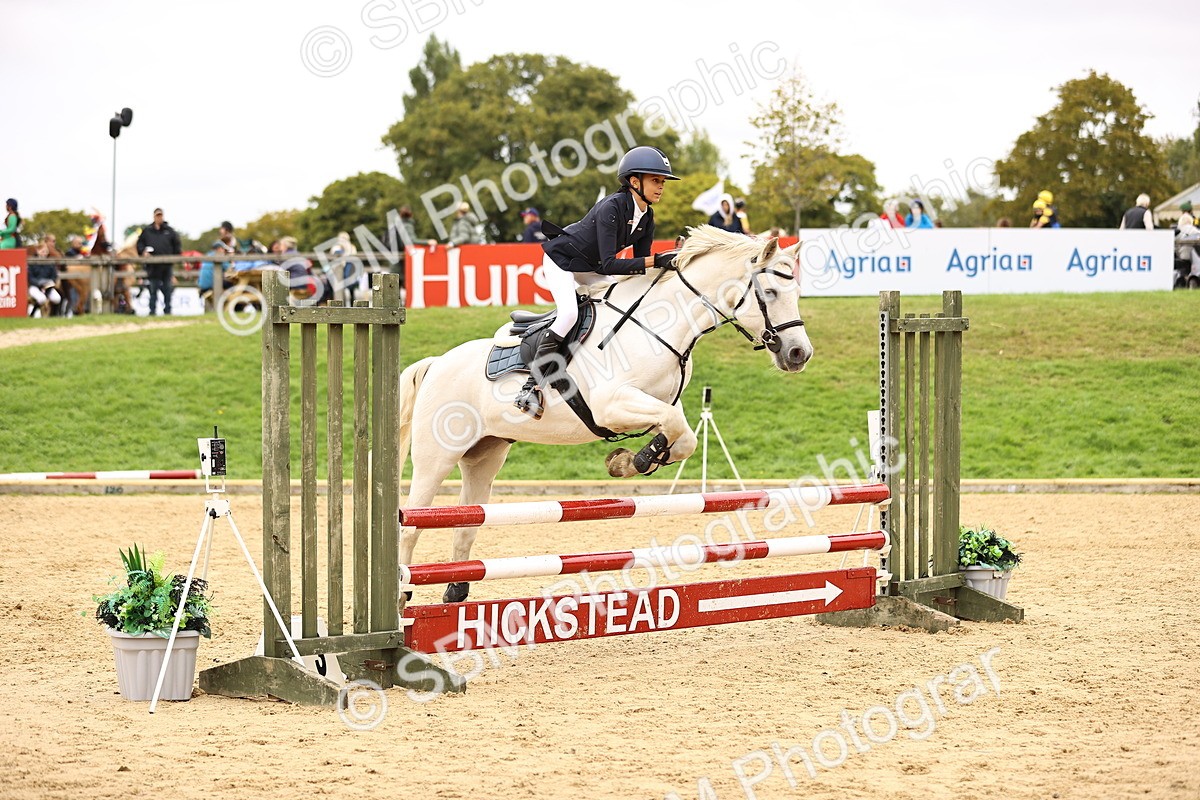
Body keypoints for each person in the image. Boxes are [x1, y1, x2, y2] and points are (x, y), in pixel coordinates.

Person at [514, 145, 678, 419]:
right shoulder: (611, 207)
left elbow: (641, 265)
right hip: (562, 261)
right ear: (634, 182)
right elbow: (612, 263)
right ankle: (530, 387)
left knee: (619, 299)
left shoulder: (647, 216)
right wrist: (656, 260)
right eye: (655, 180)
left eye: (662, 182)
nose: (661, 187)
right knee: (568, 314)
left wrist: (670, 264)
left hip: (590, 266)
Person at [135, 207, 182, 315]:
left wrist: (174, 258)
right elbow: (140, 244)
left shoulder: (170, 231)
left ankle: (168, 311)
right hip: (152, 267)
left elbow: (177, 246)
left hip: (166, 266)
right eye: (157, 215)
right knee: (153, 290)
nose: (159, 218)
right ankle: (152, 311)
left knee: (167, 290)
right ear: (154, 216)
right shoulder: (147, 231)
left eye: (160, 215)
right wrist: (143, 252)